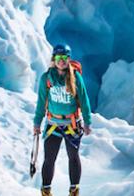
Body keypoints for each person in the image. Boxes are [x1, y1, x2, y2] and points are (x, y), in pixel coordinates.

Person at [34, 43, 92, 196]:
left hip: (72, 125)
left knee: (73, 157)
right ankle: (46, 191)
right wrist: (36, 123)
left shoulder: (76, 77)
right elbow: (41, 102)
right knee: (49, 159)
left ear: (68, 58)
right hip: (53, 124)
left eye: (65, 57)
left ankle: (74, 191)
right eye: (59, 57)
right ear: (54, 58)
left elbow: (84, 100)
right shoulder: (46, 78)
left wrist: (87, 122)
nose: (62, 61)